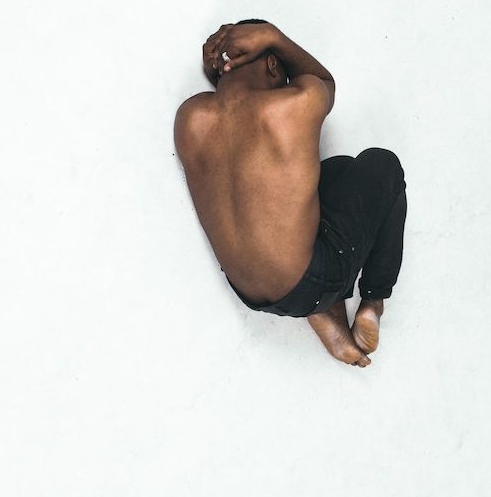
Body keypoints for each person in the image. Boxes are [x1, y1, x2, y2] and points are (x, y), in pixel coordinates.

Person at [173, 19, 407, 367]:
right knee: (383, 165)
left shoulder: (189, 117)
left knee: (340, 171)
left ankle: (324, 313)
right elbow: (326, 82)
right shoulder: (296, 103)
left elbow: (234, 110)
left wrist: (223, 66)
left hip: (249, 292)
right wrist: (274, 36)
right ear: (273, 65)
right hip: (309, 281)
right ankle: (372, 303)